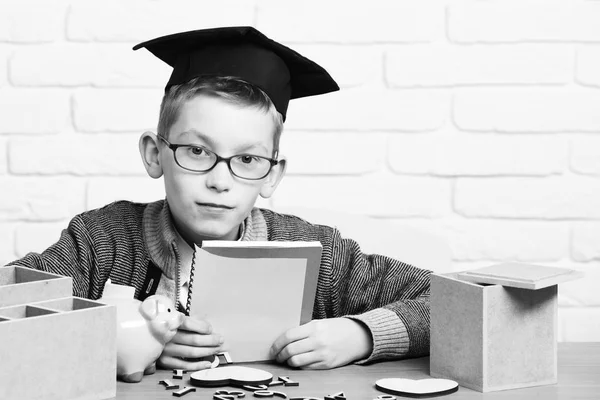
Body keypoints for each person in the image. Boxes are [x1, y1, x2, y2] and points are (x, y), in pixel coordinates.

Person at [6, 26, 431, 371]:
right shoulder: (100, 241)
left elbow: (447, 302)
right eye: (197, 152)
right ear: (156, 155)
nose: (219, 180)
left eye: (247, 158)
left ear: (272, 175)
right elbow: (11, 305)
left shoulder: (321, 257)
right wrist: (121, 341)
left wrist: (360, 335)